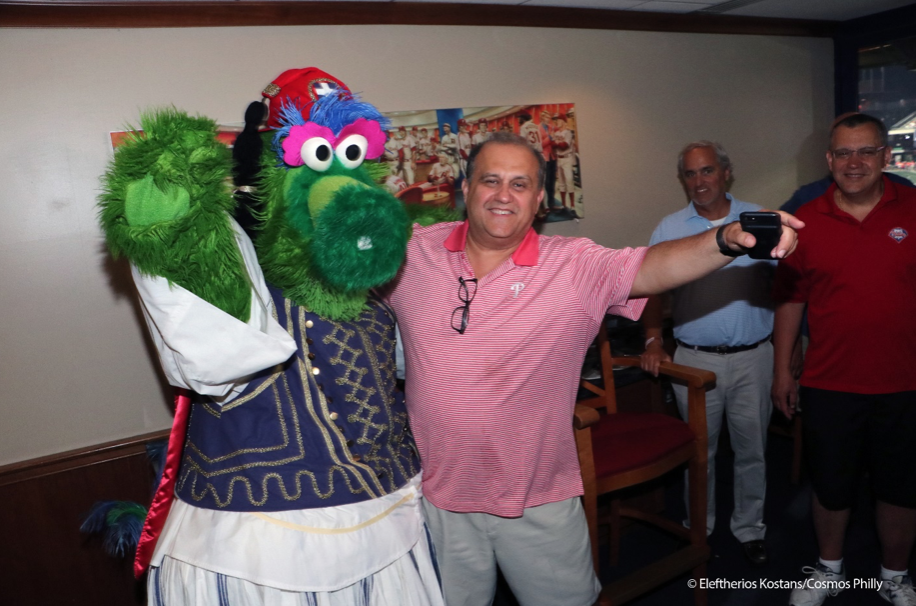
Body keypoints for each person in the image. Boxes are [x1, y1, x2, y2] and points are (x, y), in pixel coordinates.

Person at [383, 132, 801, 606]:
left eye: (520, 184)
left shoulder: (574, 264)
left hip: (538, 499)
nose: (503, 195)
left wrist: (726, 239)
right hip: (438, 499)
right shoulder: (410, 253)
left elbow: (654, 266)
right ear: (466, 187)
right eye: (490, 180)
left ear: (539, 199)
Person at [773, 112, 916, 606]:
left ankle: (894, 575)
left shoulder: (915, 209)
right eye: (844, 153)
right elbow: (790, 300)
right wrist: (781, 372)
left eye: (867, 151)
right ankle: (829, 568)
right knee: (830, 487)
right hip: (829, 383)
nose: (855, 162)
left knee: (900, 490)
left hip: (905, 383)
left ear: (885, 156)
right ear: (830, 159)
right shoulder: (804, 220)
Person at [640, 141, 775, 567]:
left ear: (726, 172)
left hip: (754, 357)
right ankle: (701, 525)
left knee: (753, 449)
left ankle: (750, 528)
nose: (700, 182)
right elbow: (648, 287)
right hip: (695, 361)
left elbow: (787, 285)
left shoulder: (758, 219)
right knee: (699, 452)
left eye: (707, 171)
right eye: (691, 174)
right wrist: (653, 340)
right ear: (683, 180)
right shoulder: (669, 227)